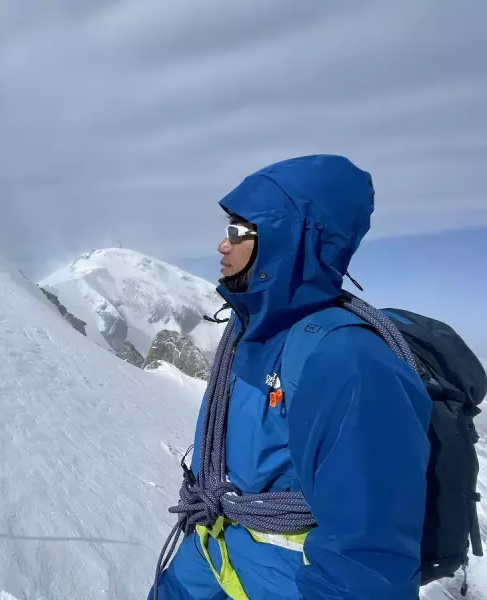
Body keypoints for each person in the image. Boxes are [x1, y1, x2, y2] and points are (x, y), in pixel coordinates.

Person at [149, 155, 432, 600]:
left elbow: (366, 563)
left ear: (290, 237)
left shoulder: (347, 360)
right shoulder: (249, 328)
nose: (224, 245)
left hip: (283, 583)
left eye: (241, 232)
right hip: (209, 554)